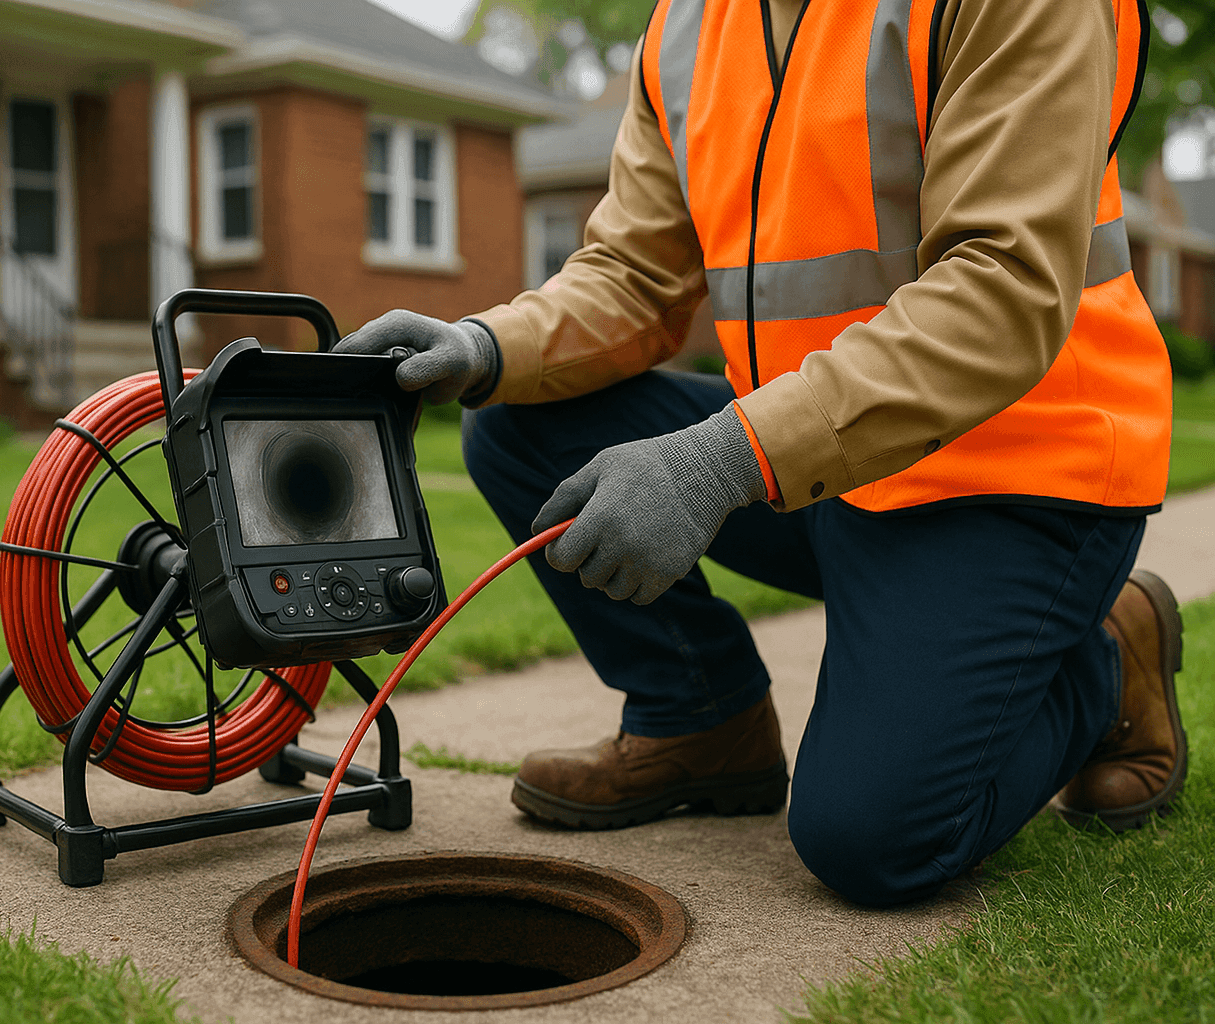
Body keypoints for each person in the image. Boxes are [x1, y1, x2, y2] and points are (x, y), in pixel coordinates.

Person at [335, 0, 1187, 906]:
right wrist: (483, 348)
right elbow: (633, 276)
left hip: (1019, 474)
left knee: (872, 838)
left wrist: (714, 465)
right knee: (515, 421)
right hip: (822, 460)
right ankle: (698, 718)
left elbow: (1002, 289)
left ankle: (1102, 651)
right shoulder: (691, 26)